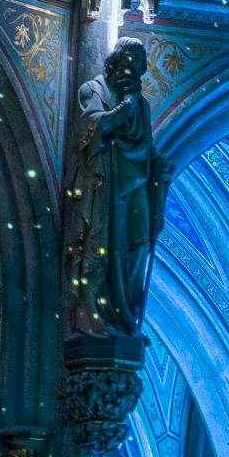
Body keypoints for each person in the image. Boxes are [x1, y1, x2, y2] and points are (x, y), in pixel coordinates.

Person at [73, 41, 163, 332]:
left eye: (137, 64)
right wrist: (124, 108)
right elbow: (93, 129)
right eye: (127, 60)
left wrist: (161, 164)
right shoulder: (94, 90)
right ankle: (100, 308)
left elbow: (146, 148)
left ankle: (126, 313)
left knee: (139, 244)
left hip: (134, 181)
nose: (131, 68)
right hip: (107, 182)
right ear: (114, 61)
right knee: (104, 245)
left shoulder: (141, 104)